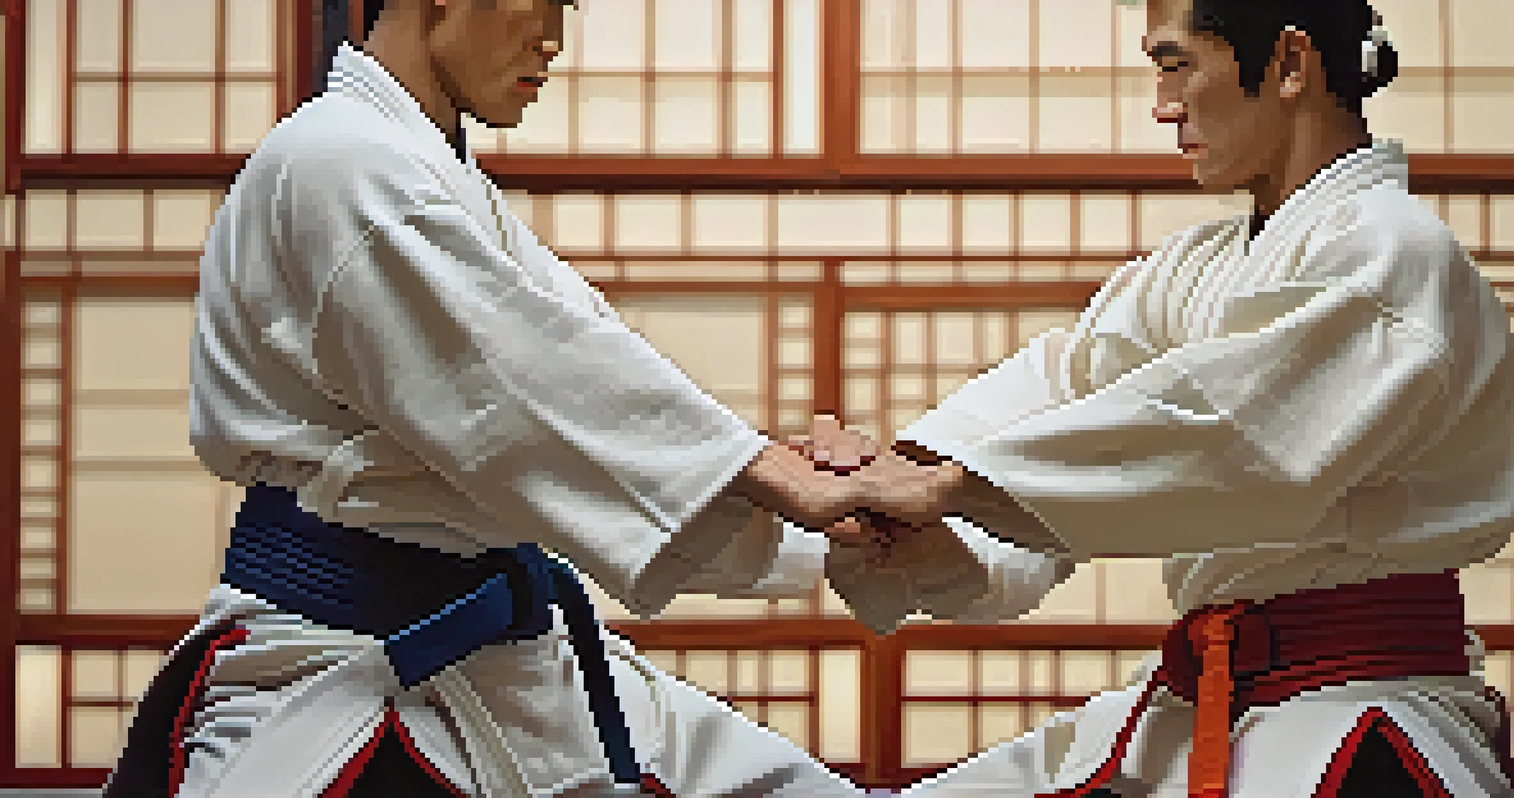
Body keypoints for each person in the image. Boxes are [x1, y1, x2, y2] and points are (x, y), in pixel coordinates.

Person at [102, 0, 1071, 796]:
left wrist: (797, 494)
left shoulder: (423, 171)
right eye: (545, 0)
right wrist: (779, 477)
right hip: (354, 665)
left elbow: (577, 389)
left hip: (502, 654)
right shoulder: (337, 159)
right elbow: (530, 392)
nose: (557, 35)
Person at [807, 0, 1514, 795]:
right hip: (1219, 695)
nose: (1161, 106)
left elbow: (1228, 442)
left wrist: (949, 487)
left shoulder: (1392, 251)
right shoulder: (1195, 267)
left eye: (1175, 65)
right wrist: (898, 486)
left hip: (1360, 705)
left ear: (1290, 65)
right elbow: (1064, 392)